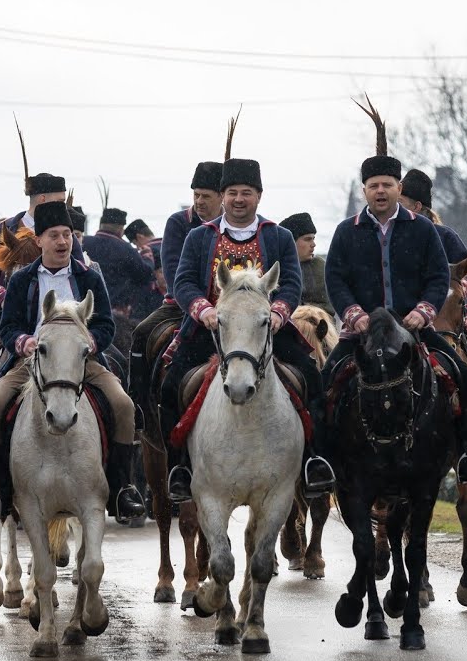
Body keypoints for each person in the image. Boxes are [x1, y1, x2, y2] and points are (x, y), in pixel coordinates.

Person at [322, 97, 467, 483]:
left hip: (415, 328)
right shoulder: (347, 231)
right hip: (360, 331)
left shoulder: (423, 229)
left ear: (399, 188)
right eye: (373, 185)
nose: (380, 191)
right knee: (325, 382)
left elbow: (436, 277)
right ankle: (321, 461)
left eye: (387, 185)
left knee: (462, 375)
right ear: (364, 190)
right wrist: (355, 316)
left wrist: (424, 312)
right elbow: (336, 280)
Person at [159, 153, 337, 502]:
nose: (239, 199)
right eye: (233, 192)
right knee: (170, 385)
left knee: (311, 377)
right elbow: (182, 283)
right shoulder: (199, 237)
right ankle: (179, 467)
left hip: (265, 328)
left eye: (247, 192)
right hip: (211, 329)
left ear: (259, 195)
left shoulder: (279, 236)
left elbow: (290, 285)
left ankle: (314, 459)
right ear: (223, 196)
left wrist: (280, 312)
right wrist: (203, 310)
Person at [0, 200, 147, 522]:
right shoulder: (22, 279)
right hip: (32, 361)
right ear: (39, 241)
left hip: (82, 361)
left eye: (67, 235)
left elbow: (105, 323)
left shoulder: (89, 276)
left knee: (123, 405)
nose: (63, 242)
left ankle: (122, 489)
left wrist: (91, 342)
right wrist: (24, 341)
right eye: (54, 235)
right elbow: (8, 326)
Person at [127, 161, 224, 407]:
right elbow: (173, 271)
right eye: (196, 195)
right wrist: (198, 301)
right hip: (179, 304)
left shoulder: (234, 227)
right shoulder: (178, 223)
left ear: (222, 196)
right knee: (141, 333)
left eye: (206, 196)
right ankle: (138, 404)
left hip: (227, 307)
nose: (199, 201)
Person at [398, 169, 467, 386]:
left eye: (401, 201)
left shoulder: (445, 236)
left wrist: (455, 290)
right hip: (406, 308)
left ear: (417, 207)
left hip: (451, 307)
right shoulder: (391, 236)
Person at [80, 207, 156, 319]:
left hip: (84, 311)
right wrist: (147, 257)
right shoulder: (126, 249)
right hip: (115, 315)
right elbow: (145, 274)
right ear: (120, 229)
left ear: (101, 225)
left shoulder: (83, 243)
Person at [279, 213, 333, 317]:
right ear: (291, 241)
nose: (313, 244)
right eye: (308, 239)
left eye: (313, 238)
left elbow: (328, 310)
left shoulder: (319, 267)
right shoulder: (277, 269)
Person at [126, 218, 167, 309]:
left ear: (139, 237)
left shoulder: (146, 251)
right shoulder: (169, 244)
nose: (137, 247)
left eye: (135, 243)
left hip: (152, 299)